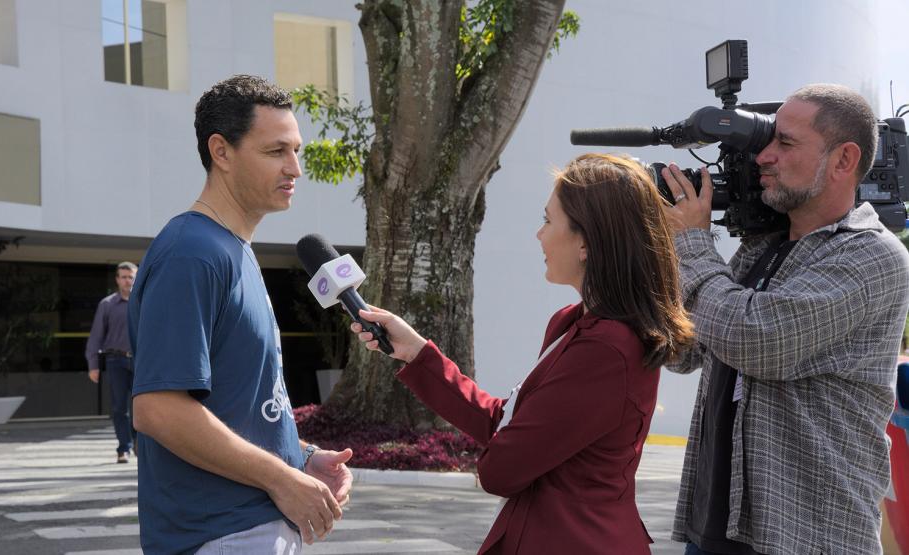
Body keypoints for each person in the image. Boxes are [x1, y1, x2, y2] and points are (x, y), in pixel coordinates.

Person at [352, 153, 696, 554]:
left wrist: (503, 450)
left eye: (548, 221)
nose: (538, 234)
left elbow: (501, 469)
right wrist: (416, 352)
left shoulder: (606, 347)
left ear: (586, 242)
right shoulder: (573, 324)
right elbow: (509, 422)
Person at [660, 83, 909, 554]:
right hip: (716, 528)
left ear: (843, 160)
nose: (763, 157)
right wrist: (636, 247)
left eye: (785, 143)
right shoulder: (763, 247)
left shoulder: (873, 255)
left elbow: (757, 340)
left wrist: (691, 243)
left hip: (805, 538)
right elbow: (685, 349)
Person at [128, 75, 353, 554]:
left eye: (296, 150)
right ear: (221, 152)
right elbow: (158, 409)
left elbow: (238, 406)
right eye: (276, 151)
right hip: (219, 534)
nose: (295, 168)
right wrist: (281, 478)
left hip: (248, 529)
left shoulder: (233, 250)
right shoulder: (192, 253)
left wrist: (300, 457)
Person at [84, 261, 138, 463]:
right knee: (119, 408)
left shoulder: (144, 302)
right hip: (116, 360)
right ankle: (124, 447)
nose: (127, 281)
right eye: (124, 277)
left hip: (140, 361)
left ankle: (139, 444)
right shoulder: (107, 304)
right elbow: (96, 336)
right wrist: (93, 365)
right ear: (117, 279)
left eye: (131, 277)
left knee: (141, 406)